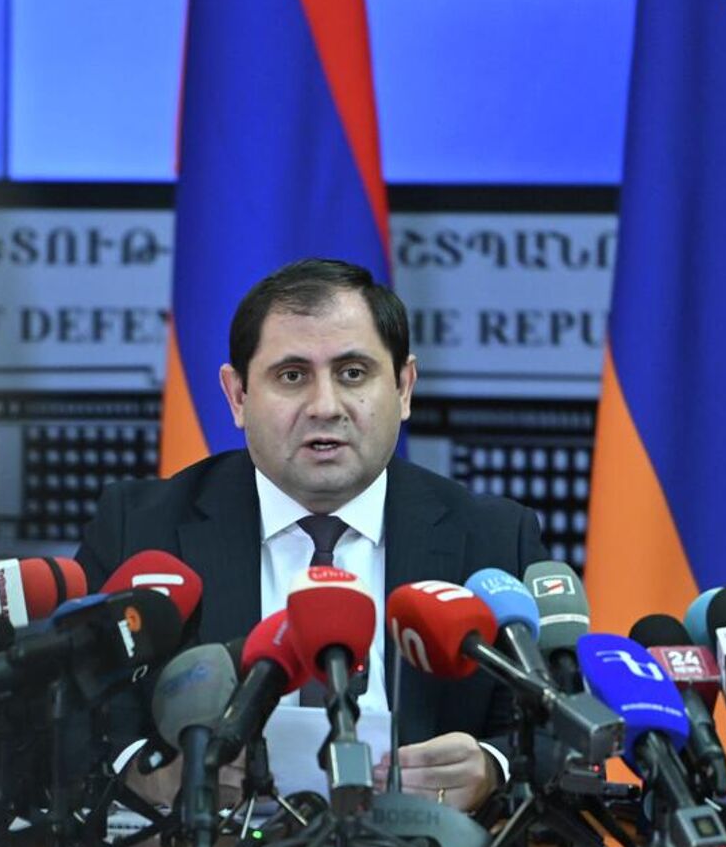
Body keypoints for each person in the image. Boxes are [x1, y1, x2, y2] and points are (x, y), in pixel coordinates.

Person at [77, 258, 547, 812]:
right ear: (237, 396)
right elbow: (69, 719)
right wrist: (147, 774)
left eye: (353, 373)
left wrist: (491, 767)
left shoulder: (494, 538)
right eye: (292, 376)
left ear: (403, 388)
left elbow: (553, 730)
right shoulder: (140, 529)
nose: (325, 407)